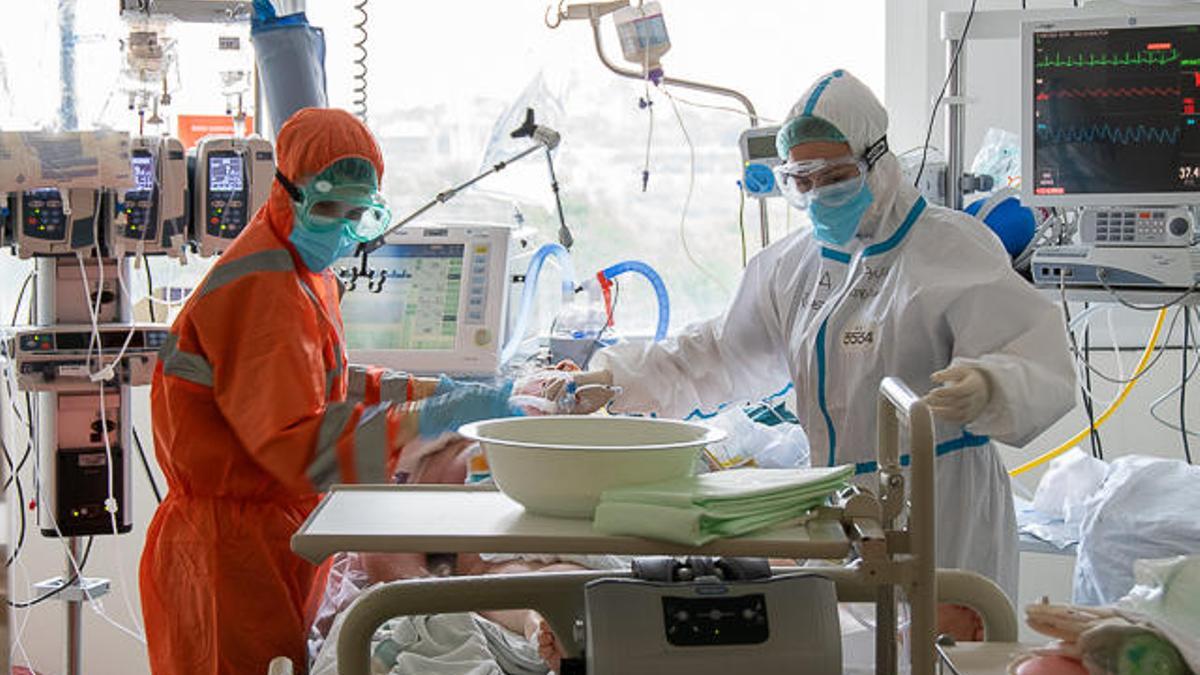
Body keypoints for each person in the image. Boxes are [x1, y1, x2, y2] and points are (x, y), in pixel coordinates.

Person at [550, 70, 1075, 622]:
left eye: (837, 174)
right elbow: (720, 352)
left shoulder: (950, 250)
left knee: (942, 650)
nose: (820, 191)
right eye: (803, 179)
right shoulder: (790, 266)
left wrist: (992, 384)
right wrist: (616, 379)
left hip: (944, 505)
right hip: (842, 505)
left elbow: (1036, 355)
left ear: (879, 160)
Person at [140, 107, 519, 674]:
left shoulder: (301, 270)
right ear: (285, 191)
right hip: (228, 550)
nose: (343, 225)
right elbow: (301, 450)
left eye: (358, 213)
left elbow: (324, 382)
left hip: (270, 532)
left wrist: (427, 389)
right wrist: (424, 419)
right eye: (328, 209)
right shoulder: (262, 289)